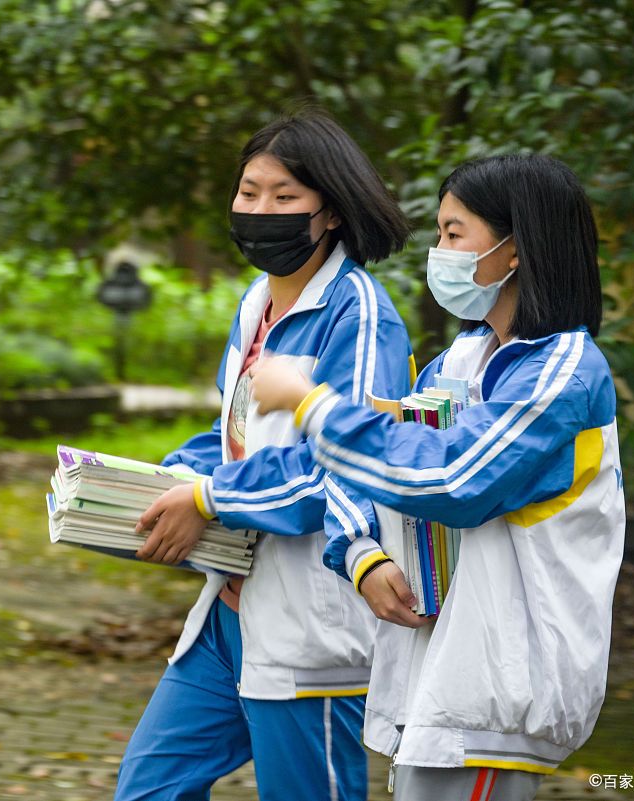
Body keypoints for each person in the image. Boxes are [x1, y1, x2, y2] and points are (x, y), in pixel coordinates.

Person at [252, 153, 624, 801]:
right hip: (439, 682)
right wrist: (361, 551)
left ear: (516, 251)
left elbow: (455, 478)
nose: (439, 251)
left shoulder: (565, 373)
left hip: (496, 689)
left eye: (455, 234)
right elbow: (377, 463)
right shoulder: (461, 359)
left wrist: (313, 405)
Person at [114, 108, 414, 801]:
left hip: (312, 620)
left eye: (285, 197)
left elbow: (348, 464)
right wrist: (164, 476)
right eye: (249, 192)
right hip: (231, 605)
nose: (260, 210)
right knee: (149, 788)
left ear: (331, 212)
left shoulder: (360, 314)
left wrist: (207, 499)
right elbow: (238, 435)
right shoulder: (255, 304)